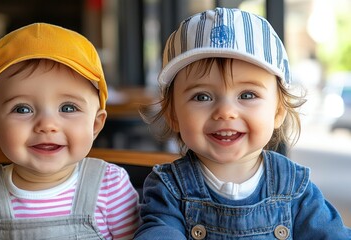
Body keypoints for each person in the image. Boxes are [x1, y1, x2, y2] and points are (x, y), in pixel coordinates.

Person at [135, 8, 351, 239]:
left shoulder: (294, 187)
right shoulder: (169, 187)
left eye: (247, 95)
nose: (226, 112)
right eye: (202, 96)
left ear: (278, 112)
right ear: (173, 115)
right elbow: (159, 231)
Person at [0, 23, 140, 240]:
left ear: (96, 124)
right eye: (22, 109)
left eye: (68, 108)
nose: (47, 124)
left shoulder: (109, 186)